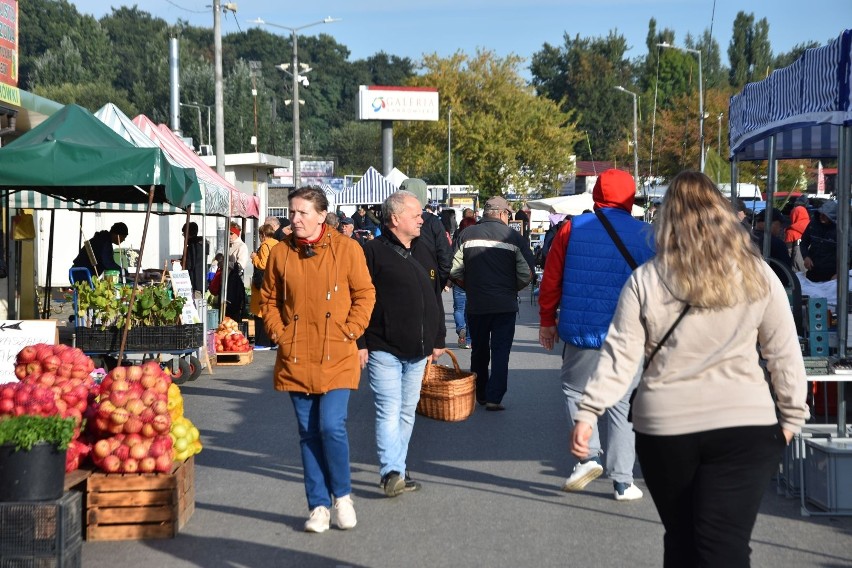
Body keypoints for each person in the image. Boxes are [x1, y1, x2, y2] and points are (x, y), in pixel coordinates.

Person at [570, 171, 808, 567]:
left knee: (682, 538)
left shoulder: (646, 280)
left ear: (668, 221)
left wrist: (589, 411)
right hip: (744, 424)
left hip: (666, 426)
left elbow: (620, 355)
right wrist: (791, 417)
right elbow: (783, 353)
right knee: (726, 544)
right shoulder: (758, 274)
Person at [261, 186, 376, 534]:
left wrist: (350, 331)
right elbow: (266, 300)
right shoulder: (280, 254)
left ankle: (342, 496)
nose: (294, 219)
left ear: (321, 215)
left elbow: (365, 294)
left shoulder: (348, 249)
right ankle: (318, 507)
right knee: (308, 433)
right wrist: (280, 333)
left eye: (302, 213)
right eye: (291, 212)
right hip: (296, 353)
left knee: (331, 426)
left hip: (337, 352)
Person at [538, 168, 654, 501]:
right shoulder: (648, 234)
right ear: (631, 198)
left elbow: (551, 280)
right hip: (630, 334)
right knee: (623, 404)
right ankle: (622, 480)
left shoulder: (571, 230)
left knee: (575, 388)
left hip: (583, 329)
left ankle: (588, 455)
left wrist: (547, 321)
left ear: (596, 195)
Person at [359, 190, 445, 497]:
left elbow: (435, 296)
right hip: (383, 346)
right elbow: (357, 299)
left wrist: (438, 339)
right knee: (388, 409)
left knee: (407, 411)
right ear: (396, 219)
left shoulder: (424, 250)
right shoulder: (372, 253)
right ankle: (391, 472)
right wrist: (360, 342)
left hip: (419, 350)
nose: (423, 219)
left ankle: (399, 467)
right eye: (416, 214)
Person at [450, 195, 535, 411]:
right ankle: (495, 398)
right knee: (500, 350)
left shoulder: (466, 234)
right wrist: (510, 288)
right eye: (508, 213)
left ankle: (480, 392)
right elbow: (527, 273)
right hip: (504, 304)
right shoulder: (513, 237)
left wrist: (469, 285)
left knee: (478, 349)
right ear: (501, 213)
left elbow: (453, 269)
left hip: (476, 303)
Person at [400, 178, 453, 288]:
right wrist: (437, 286)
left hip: (401, 287)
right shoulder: (432, 222)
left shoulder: (394, 220)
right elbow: (445, 258)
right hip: (427, 283)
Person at [249, 223, 278, 348]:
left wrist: (254, 258)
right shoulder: (277, 244)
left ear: (263, 235)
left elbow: (263, 264)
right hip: (274, 282)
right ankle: (273, 341)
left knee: (260, 312)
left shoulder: (265, 245)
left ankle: (262, 342)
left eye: (260, 235)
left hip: (263, 283)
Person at [451, 214, 477, 349]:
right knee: (471, 310)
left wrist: (452, 278)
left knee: (459, 308)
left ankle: (461, 328)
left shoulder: (458, 238)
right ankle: (468, 340)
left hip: (459, 279)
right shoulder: (479, 239)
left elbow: (453, 257)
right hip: (474, 279)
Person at [801, 200, 840, 282]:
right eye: (820, 214)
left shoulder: (839, 230)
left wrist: (840, 273)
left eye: (825, 215)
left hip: (832, 275)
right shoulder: (813, 224)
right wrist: (806, 257)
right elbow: (804, 242)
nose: (821, 217)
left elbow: (848, 253)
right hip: (813, 271)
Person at [750, 208, 793, 280]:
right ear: (770, 223)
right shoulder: (777, 243)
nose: (780, 228)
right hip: (769, 284)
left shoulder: (744, 237)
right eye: (779, 224)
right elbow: (786, 274)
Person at [225, 223, 249, 321]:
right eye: (228, 233)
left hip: (235, 283)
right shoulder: (228, 245)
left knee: (233, 311)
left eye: (231, 233)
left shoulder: (242, 246)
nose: (229, 236)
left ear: (237, 233)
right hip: (227, 282)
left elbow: (240, 265)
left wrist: (226, 264)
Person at [785, 196, 810, 272]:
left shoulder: (791, 232)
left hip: (796, 270)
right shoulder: (811, 228)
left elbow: (788, 253)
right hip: (810, 267)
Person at [181, 222, 206, 297]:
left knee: (196, 305)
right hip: (202, 281)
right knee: (200, 305)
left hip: (194, 282)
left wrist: (181, 262)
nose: (184, 236)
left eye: (184, 234)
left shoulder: (192, 247)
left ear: (188, 233)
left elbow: (189, 265)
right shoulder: (202, 245)